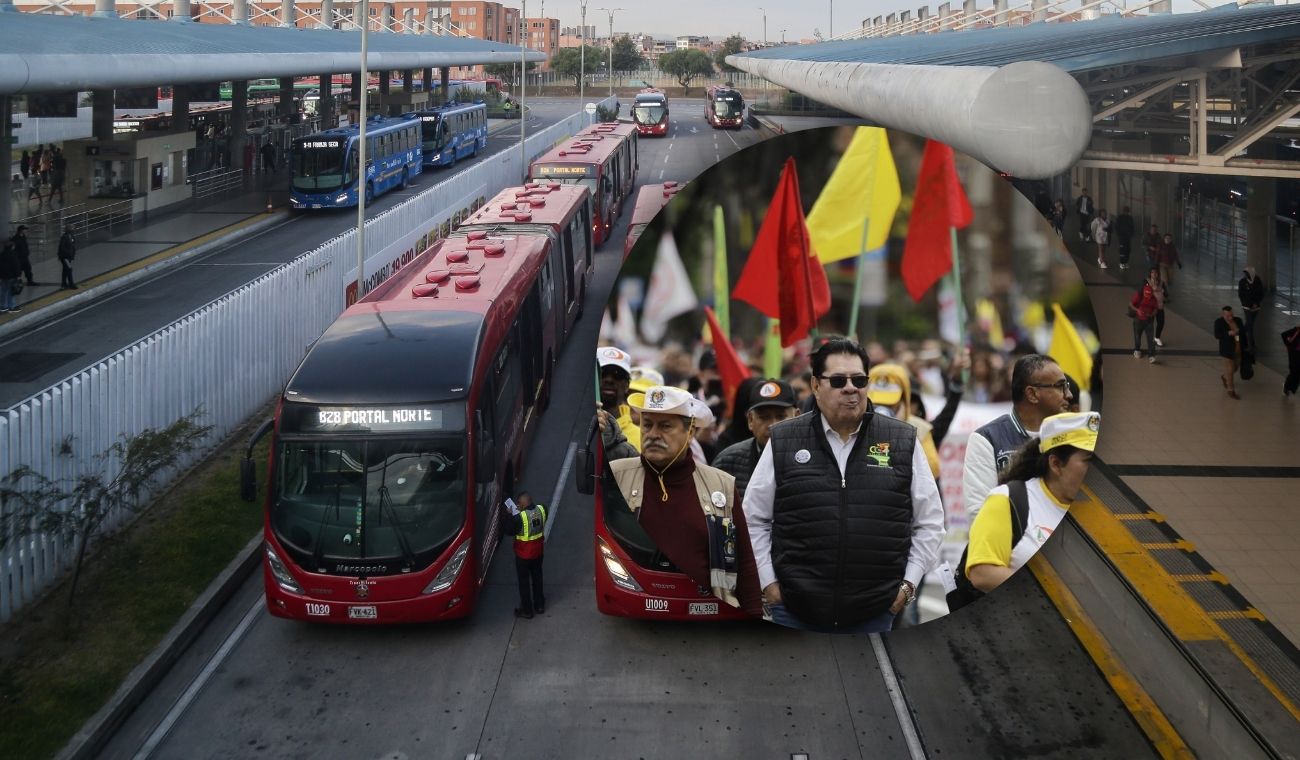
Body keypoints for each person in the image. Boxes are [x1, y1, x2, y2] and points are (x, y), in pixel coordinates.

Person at [743, 337, 944, 633]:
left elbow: (929, 522)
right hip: (795, 613)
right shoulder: (785, 440)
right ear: (815, 385)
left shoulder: (902, 440)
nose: (851, 388)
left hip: (874, 615)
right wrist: (769, 584)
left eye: (860, 380)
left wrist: (906, 587)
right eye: (838, 380)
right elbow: (753, 519)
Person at [611, 386, 763, 615]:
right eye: (647, 424)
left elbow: (745, 562)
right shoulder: (616, 475)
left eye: (665, 426)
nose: (652, 434)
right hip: (638, 611)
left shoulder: (721, 484)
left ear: (690, 432)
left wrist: (753, 612)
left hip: (707, 620)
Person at [961, 412, 1099, 594]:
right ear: (1056, 464)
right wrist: (1054, 595)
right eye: (1089, 460)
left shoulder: (1099, 510)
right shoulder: (1007, 501)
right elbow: (982, 573)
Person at [962, 353, 1073, 520]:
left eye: (1067, 386)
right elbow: (980, 515)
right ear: (1032, 394)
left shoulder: (1074, 436)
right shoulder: (986, 439)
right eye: (1060, 386)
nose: (1069, 394)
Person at [712, 379, 798, 495]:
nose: (772, 425)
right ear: (750, 420)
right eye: (764, 417)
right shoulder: (727, 463)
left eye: (781, 417)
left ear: (797, 416)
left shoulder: (815, 458)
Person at [866, 363, 941, 479]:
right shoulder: (856, 427)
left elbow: (932, 472)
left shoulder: (920, 429)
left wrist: (900, 431)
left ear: (904, 400)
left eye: (889, 404)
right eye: (877, 403)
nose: (882, 409)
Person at [504, 491, 546, 619]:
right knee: (537, 578)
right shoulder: (542, 509)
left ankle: (527, 610)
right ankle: (539, 605)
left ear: (522, 504)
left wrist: (510, 516)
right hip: (538, 552)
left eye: (519, 504)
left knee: (524, 582)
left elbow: (509, 531)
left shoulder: (520, 518)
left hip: (523, 555)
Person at [597, 346, 640, 451]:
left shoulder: (640, 438)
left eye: (617, 375)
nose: (609, 380)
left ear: (627, 386)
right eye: (603, 373)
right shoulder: (577, 425)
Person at [1131, 268, 1162, 364]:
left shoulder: (1153, 299)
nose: (1148, 297)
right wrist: (1138, 310)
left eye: (1150, 295)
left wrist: (1152, 314)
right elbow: (1131, 304)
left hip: (1149, 320)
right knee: (1137, 336)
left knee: (1150, 338)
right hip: (1138, 320)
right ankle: (1137, 350)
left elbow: (1156, 308)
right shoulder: (1139, 295)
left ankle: (1151, 355)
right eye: (1146, 295)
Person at [1215, 306, 1245, 400]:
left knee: (1235, 367)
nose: (1230, 317)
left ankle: (1225, 376)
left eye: (1231, 315)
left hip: (1238, 347)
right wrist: (1228, 334)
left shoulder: (1238, 320)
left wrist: (1239, 333)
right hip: (1227, 350)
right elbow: (1217, 335)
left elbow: (1243, 332)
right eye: (1228, 315)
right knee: (1230, 369)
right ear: (1223, 315)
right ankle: (1231, 390)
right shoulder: (1219, 322)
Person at [1238, 266, 1264, 354]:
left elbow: (1261, 293)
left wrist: (1256, 303)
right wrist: (1248, 304)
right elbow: (1241, 295)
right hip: (1247, 307)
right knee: (1250, 325)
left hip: (1256, 307)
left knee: (1249, 324)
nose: (1246, 275)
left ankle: (1239, 333)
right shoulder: (1242, 282)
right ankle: (1251, 345)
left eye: (1247, 273)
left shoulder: (1257, 281)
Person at [0, 240, 21, 314]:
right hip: (11, 276)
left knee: (3, 291)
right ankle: (11, 307)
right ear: (12, 247)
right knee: (11, 292)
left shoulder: (2, 254)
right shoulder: (13, 254)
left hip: (3, 277)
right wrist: (18, 275)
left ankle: (3, 306)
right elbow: (16, 266)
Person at [1114, 206, 1135, 270]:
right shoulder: (1120, 218)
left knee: (1128, 249)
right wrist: (1119, 234)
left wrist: (1131, 234)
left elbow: (1132, 226)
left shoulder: (1130, 218)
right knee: (1122, 249)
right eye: (1125, 211)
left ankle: (1126, 262)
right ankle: (1122, 262)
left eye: (1127, 211)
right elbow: (1117, 226)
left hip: (1128, 237)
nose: (1126, 212)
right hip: (1122, 236)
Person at [1283, 325, 1300, 397]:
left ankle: (1292, 388)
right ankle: (1287, 387)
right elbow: (1284, 335)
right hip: (1294, 353)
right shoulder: (1297, 330)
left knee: (1298, 372)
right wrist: (1288, 345)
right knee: (1294, 371)